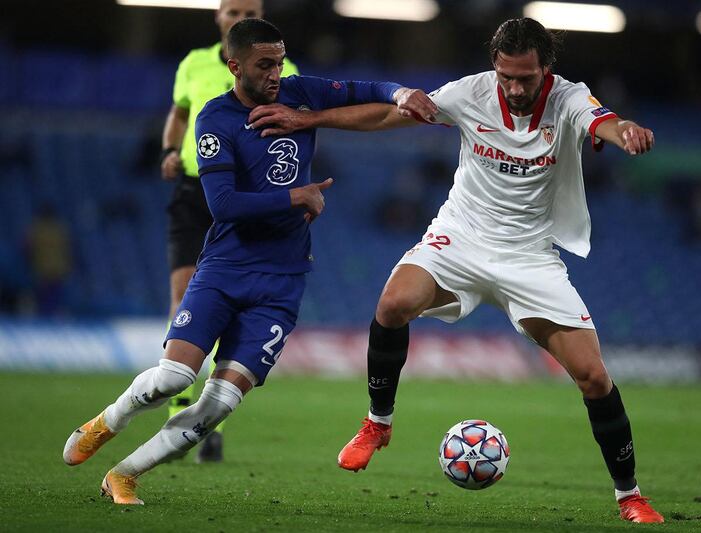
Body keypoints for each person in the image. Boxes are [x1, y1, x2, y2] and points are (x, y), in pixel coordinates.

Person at [247, 17, 663, 524]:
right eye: (506, 76)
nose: (514, 88)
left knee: (594, 378)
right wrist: (307, 121)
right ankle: (378, 422)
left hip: (529, 255)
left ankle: (630, 496)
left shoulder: (570, 98)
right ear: (495, 67)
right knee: (393, 304)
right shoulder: (470, 93)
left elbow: (605, 123)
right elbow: (387, 117)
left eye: (525, 79)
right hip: (461, 237)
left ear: (545, 69)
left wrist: (628, 134)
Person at [62, 18, 434, 505]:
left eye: (280, 61)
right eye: (265, 64)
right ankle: (109, 420)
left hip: (282, 281)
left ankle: (125, 474)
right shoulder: (215, 118)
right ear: (235, 66)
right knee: (174, 378)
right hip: (224, 268)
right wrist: (295, 197)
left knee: (219, 404)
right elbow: (223, 204)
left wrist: (402, 91)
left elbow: (367, 88)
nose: (277, 73)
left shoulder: (301, 94)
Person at [159, 0, 300, 462]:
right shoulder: (195, 64)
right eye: (231, 9)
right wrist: (169, 149)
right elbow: (180, 113)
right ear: (217, 18)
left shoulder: (284, 69)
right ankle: (179, 405)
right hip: (195, 189)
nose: (239, 16)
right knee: (185, 292)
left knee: (232, 306)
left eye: (249, 9)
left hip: (249, 197)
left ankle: (207, 418)